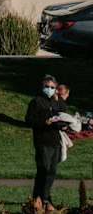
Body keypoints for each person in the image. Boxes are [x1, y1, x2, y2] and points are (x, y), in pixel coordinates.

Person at [25, 73, 69, 204]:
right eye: (47, 86)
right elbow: (29, 120)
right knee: (43, 171)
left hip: (55, 141)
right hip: (42, 141)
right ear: (42, 87)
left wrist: (65, 126)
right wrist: (45, 122)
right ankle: (38, 197)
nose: (49, 88)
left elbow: (63, 118)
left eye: (52, 86)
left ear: (55, 88)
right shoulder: (36, 102)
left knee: (51, 172)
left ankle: (45, 195)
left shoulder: (57, 103)